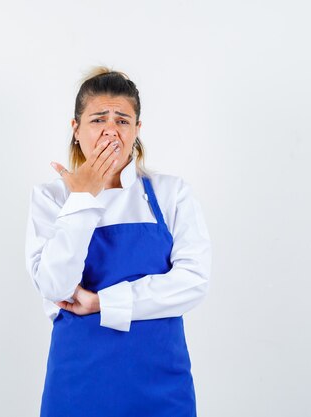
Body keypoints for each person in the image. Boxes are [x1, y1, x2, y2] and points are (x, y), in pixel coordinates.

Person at [24, 67, 212, 417]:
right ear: (76, 129)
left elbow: (194, 283)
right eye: (98, 119)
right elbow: (54, 285)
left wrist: (102, 303)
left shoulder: (171, 193)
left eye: (123, 120)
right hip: (78, 383)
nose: (111, 129)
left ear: (137, 131)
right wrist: (82, 198)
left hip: (161, 385)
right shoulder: (51, 197)